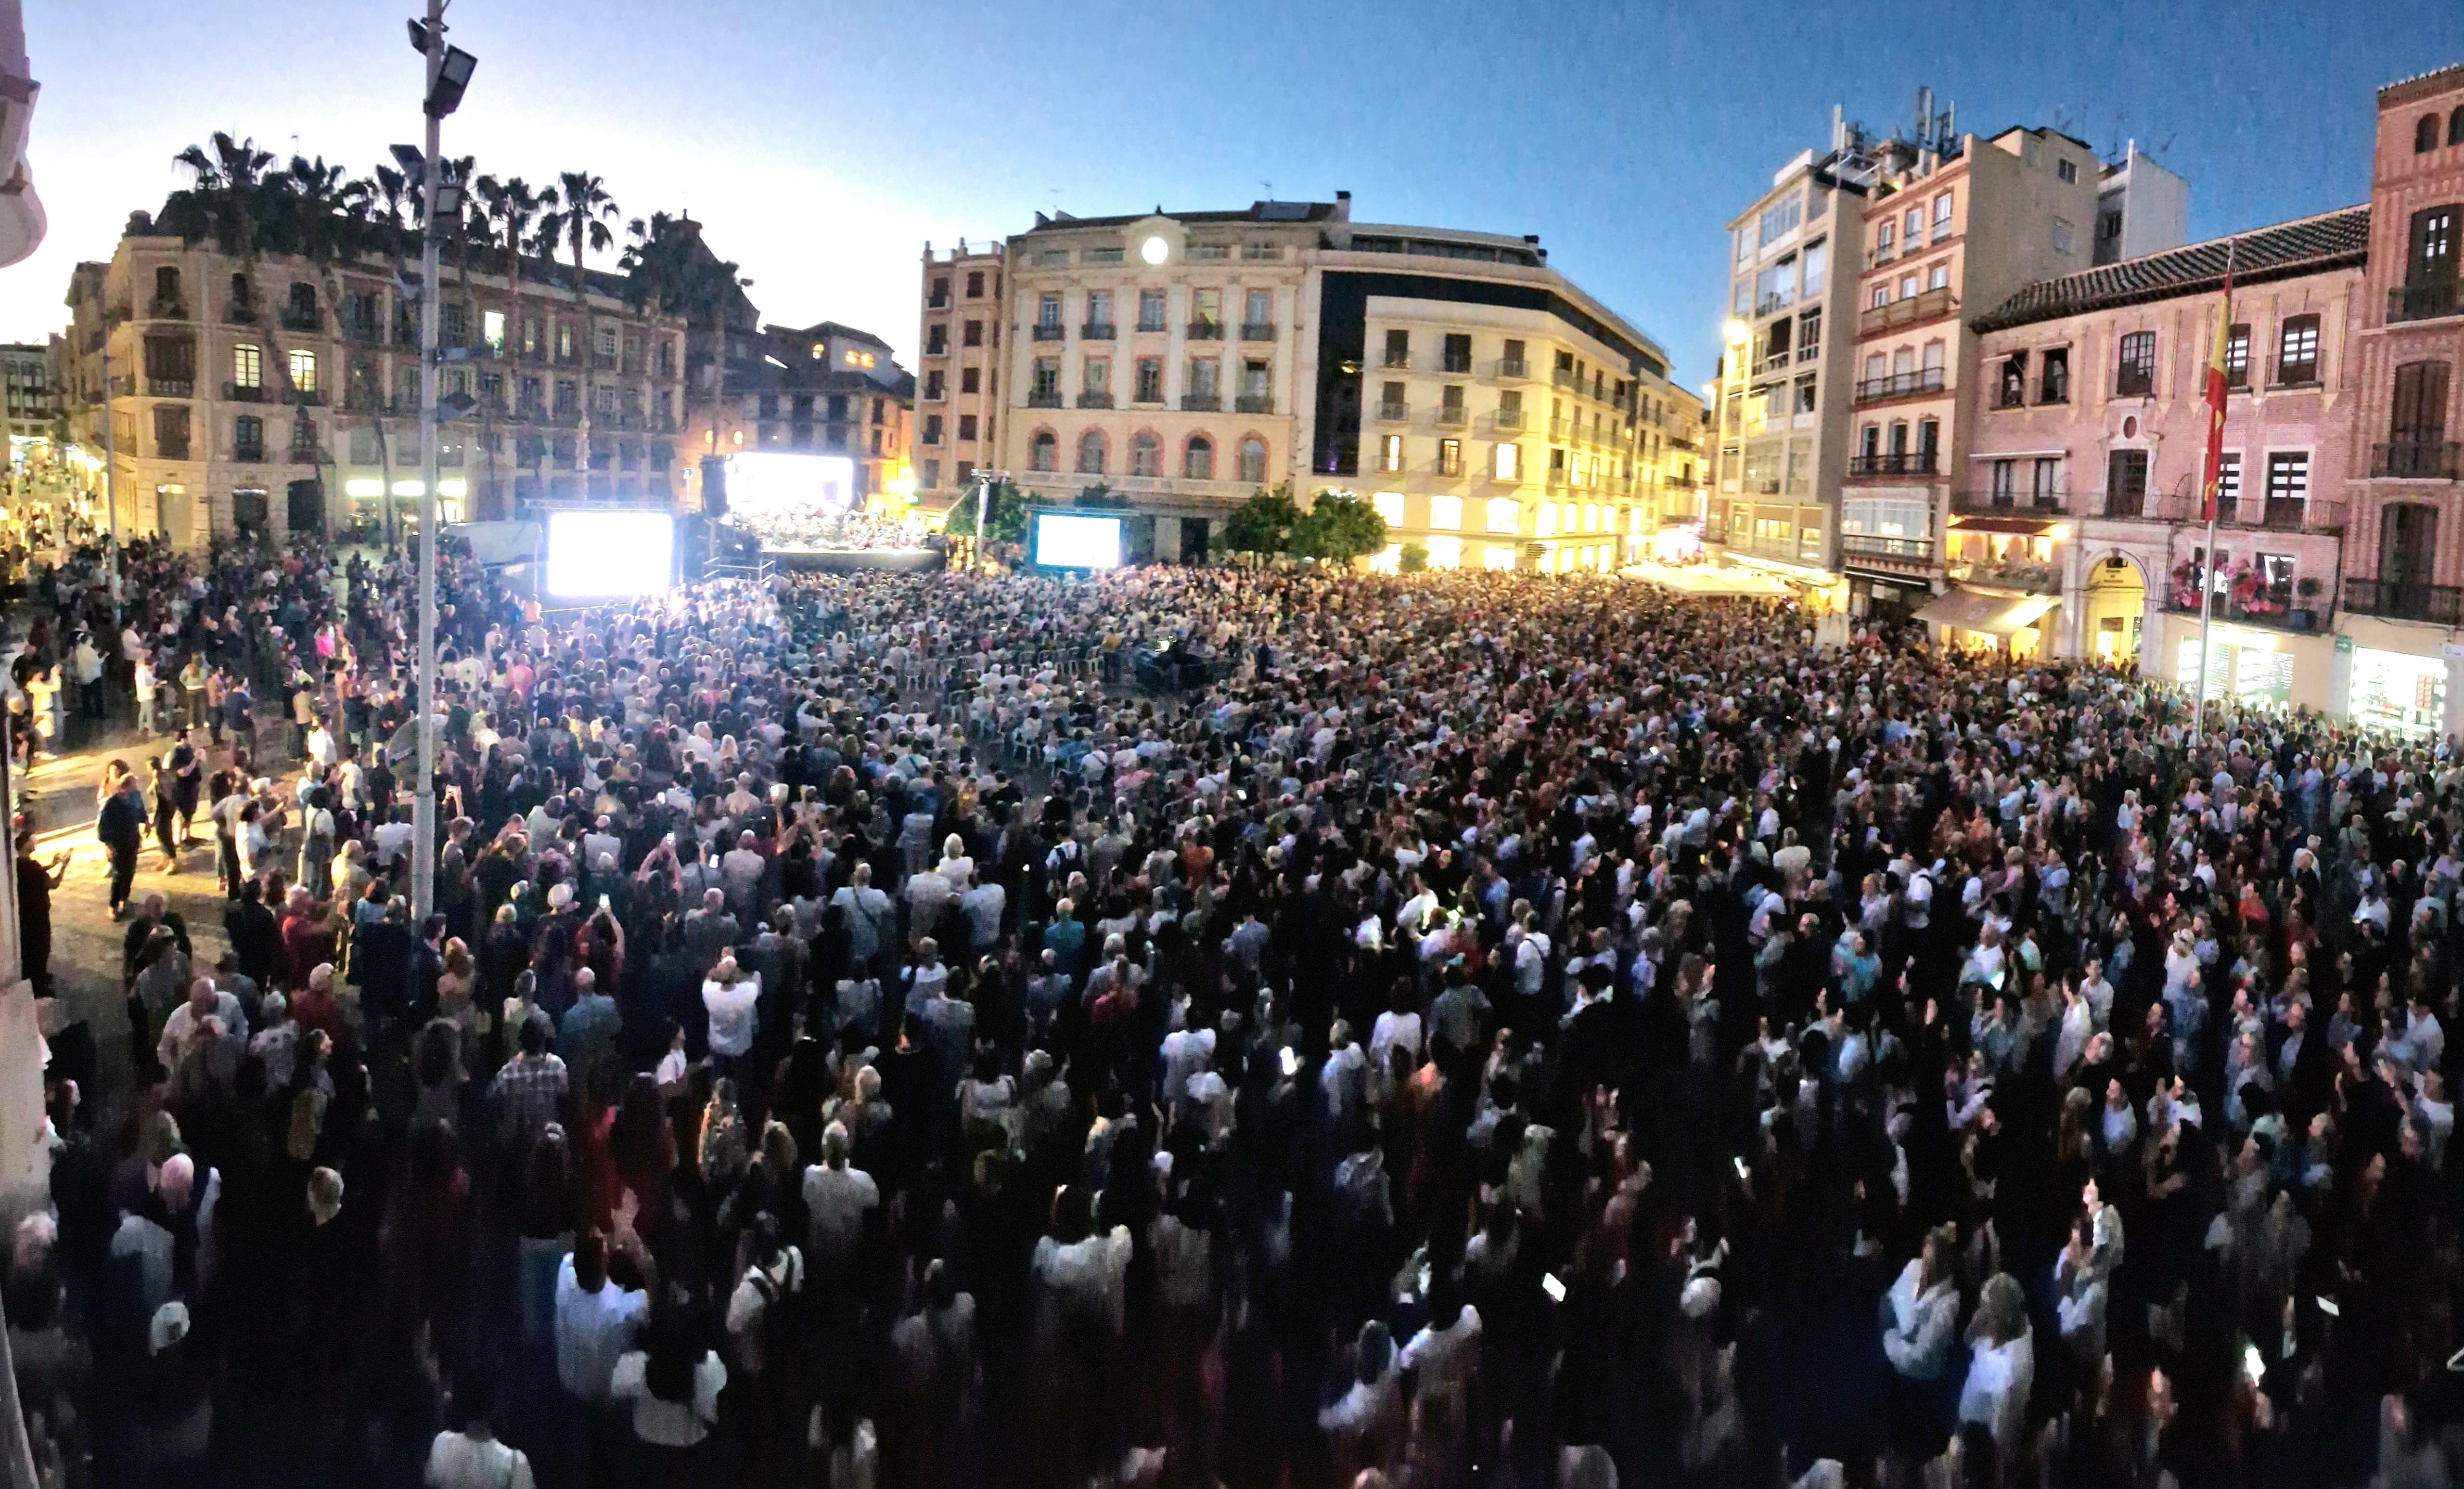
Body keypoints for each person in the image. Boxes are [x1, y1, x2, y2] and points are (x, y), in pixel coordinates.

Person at [96, 767, 145, 919]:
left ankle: (125, 898)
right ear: (126, 787)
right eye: (134, 785)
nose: (137, 788)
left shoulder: (134, 798)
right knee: (119, 875)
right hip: (118, 846)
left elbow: (140, 812)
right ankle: (114, 904)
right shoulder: (111, 804)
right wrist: (109, 846)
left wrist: (145, 823)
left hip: (132, 842)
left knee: (130, 872)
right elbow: (101, 827)